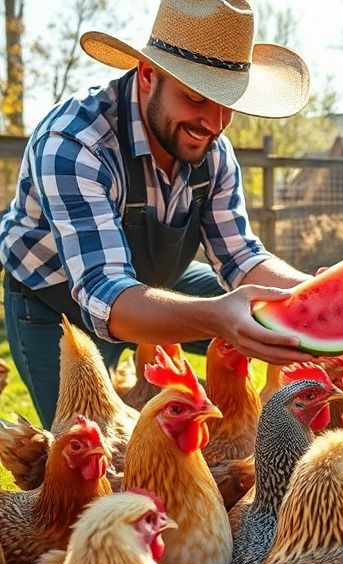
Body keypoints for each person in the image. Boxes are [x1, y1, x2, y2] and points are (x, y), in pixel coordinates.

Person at [0, 0, 315, 429]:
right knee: (85, 453)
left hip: (153, 280)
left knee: (266, 306)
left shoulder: (214, 151)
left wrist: (321, 293)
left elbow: (242, 259)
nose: (216, 122)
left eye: (228, 103)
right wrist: (218, 316)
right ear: (149, 76)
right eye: (198, 97)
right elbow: (106, 292)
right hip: (55, 302)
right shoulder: (74, 143)